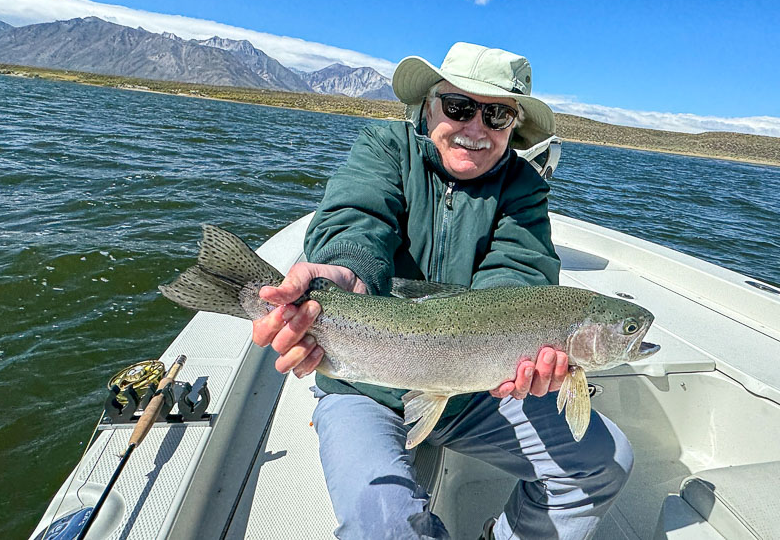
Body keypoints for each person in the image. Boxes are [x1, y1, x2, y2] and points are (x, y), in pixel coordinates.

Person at [251, 42, 634, 539]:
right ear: (427, 106)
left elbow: (518, 276)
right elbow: (357, 219)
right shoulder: (384, 149)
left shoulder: (523, 188)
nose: (475, 128)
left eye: (496, 114)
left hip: (479, 390)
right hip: (363, 385)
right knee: (382, 522)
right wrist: (349, 275)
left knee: (604, 463)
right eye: (458, 107)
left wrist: (517, 354)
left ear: (512, 126)